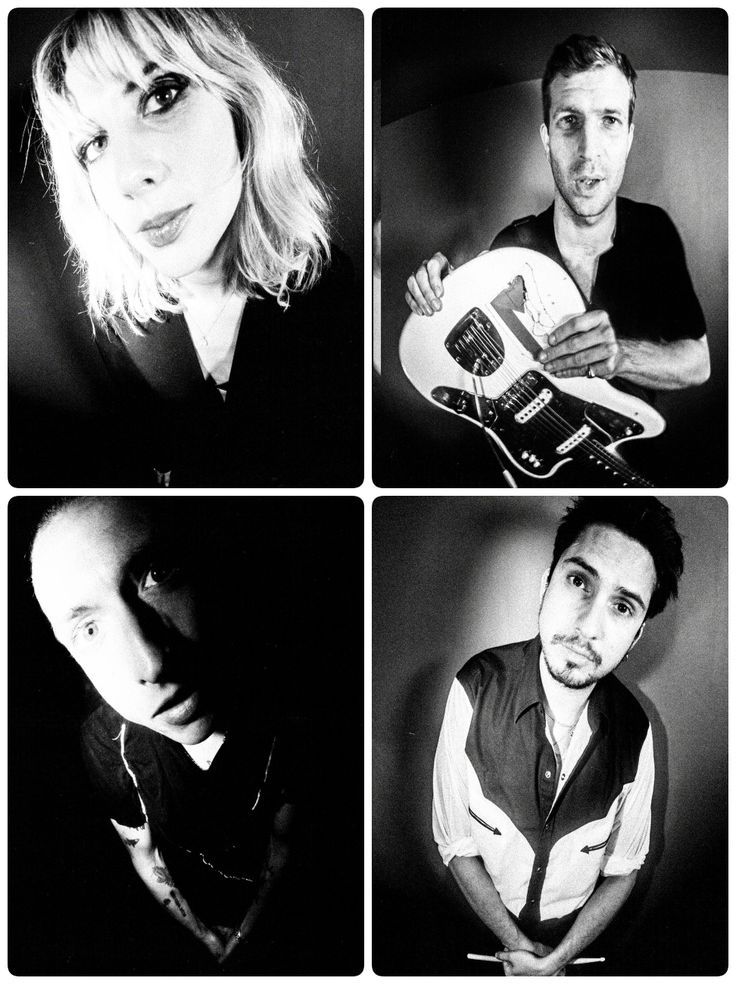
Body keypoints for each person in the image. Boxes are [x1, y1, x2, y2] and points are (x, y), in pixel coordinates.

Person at [31, 9, 360, 487]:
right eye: (94, 142)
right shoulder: (119, 327)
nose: (128, 177)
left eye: (161, 96)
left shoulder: (331, 289)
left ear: (238, 106)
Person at [29, 497, 321, 970]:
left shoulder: (292, 706)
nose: (152, 663)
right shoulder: (107, 745)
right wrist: (207, 939)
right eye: (88, 629)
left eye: (157, 576)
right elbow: (143, 852)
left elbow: (284, 846)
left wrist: (249, 935)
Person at [432, 497, 683, 975]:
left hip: (574, 945)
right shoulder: (473, 689)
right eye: (578, 581)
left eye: (623, 606)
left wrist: (557, 962)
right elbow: (456, 844)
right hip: (488, 931)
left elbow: (625, 868)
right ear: (546, 585)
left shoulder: (638, 734)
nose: (589, 626)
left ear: (635, 639)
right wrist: (518, 948)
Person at [405, 35, 709, 411]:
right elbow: (477, 362)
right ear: (547, 139)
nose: (588, 151)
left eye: (610, 120)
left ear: (628, 138)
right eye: (569, 121)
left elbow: (698, 363)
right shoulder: (513, 245)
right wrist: (443, 296)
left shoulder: (653, 229)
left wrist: (620, 356)